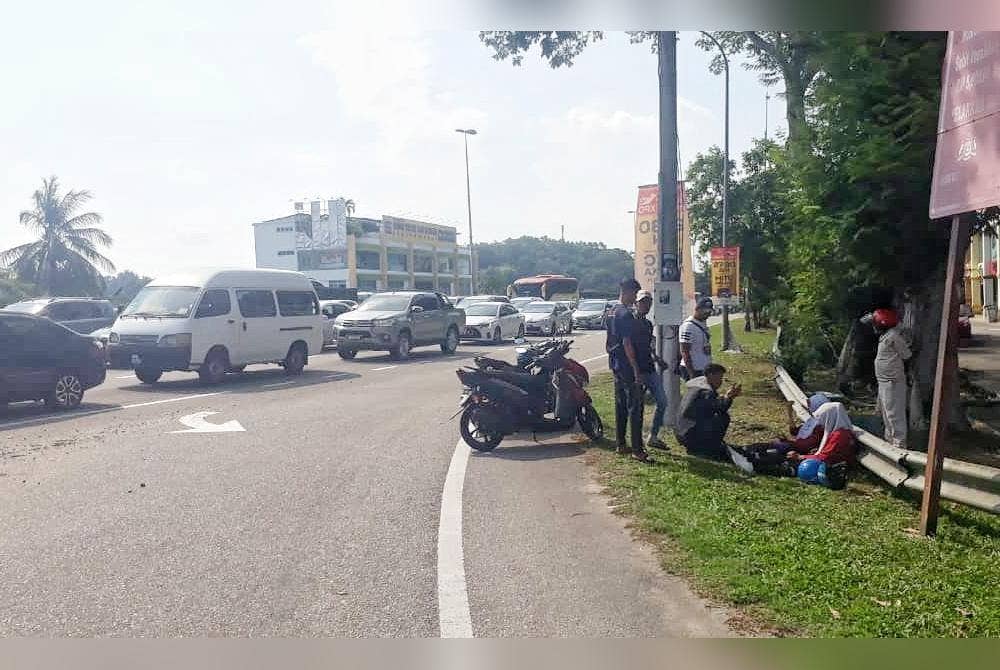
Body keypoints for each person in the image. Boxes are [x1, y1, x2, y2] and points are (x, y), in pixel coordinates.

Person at [606, 278, 652, 463]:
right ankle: (637, 449)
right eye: (634, 294)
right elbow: (627, 343)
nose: (635, 298)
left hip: (616, 364)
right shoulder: (625, 314)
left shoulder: (611, 311)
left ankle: (621, 443)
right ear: (628, 291)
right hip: (627, 365)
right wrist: (636, 370)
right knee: (635, 407)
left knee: (621, 405)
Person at [865, 308, 912, 449]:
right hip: (884, 382)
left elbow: (907, 355)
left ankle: (899, 445)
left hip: (893, 382)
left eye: (875, 324)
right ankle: (890, 442)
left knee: (894, 414)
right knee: (886, 414)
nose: (874, 327)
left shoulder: (893, 337)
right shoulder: (886, 336)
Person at [675, 363, 741, 461]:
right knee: (723, 418)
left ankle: (705, 446)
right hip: (688, 435)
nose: (721, 381)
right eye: (719, 377)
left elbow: (711, 406)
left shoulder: (697, 385)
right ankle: (709, 449)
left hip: (681, 433)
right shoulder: (706, 392)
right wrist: (729, 397)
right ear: (710, 375)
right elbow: (720, 408)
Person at [795, 402, 856, 490]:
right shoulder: (836, 431)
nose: (821, 422)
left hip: (830, 467)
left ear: (830, 417)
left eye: (823, 418)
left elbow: (824, 457)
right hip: (830, 462)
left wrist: (801, 457)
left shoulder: (840, 435)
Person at [634, 290, 668, 449]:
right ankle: (636, 439)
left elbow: (648, 346)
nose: (645, 305)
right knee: (637, 407)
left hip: (650, 368)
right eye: (642, 302)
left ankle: (653, 436)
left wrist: (657, 358)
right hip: (636, 371)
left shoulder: (648, 324)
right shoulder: (630, 322)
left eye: (648, 302)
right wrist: (635, 371)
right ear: (636, 304)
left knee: (662, 401)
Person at [679, 297, 714, 380]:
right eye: (705, 311)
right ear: (697, 309)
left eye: (710, 311)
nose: (708, 314)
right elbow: (684, 351)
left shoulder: (702, 323)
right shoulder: (688, 326)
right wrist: (691, 373)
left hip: (704, 368)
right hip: (694, 369)